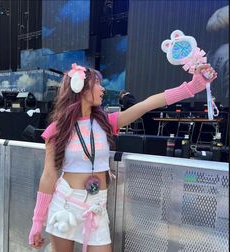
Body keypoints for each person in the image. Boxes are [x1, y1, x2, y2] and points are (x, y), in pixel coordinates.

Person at [28, 62, 216, 252]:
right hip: (65, 204)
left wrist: (193, 86)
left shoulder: (106, 122)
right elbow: (49, 175)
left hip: (96, 207)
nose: (102, 89)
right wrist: (37, 222)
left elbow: (148, 104)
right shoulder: (57, 129)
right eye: (97, 84)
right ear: (81, 88)